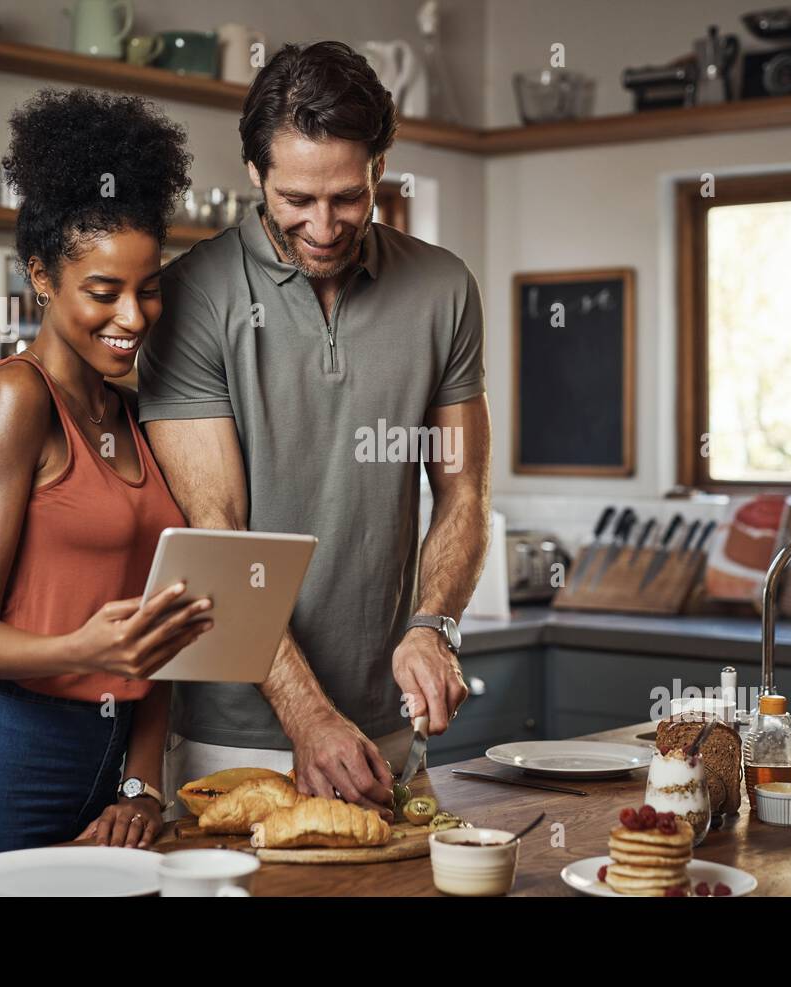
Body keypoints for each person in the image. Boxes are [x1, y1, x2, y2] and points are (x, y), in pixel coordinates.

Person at [139, 41, 492, 821]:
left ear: (379, 168)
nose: (325, 226)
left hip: (385, 724)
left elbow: (463, 486)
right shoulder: (190, 297)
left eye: (348, 197)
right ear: (255, 174)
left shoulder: (442, 289)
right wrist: (306, 715)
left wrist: (433, 625)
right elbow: (217, 529)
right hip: (236, 735)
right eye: (297, 198)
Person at [0, 89, 211, 875]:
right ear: (41, 276)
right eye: (103, 292)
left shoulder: (138, 415)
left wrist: (142, 785)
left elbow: (155, 643)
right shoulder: (12, 400)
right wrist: (85, 646)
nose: (132, 316)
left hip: (106, 776)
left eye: (149, 287)